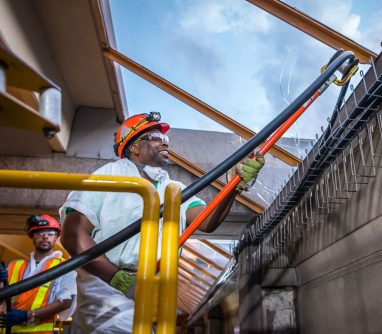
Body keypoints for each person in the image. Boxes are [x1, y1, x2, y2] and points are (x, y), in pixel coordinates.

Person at [59, 112, 264, 333]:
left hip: (155, 291)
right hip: (107, 291)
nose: (165, 141)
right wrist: (119, 279)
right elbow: (73, 235)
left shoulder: (173, 188)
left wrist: (233, 186)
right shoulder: (108, 176)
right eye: (156, 136)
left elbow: (207, 221)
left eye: (165, 137)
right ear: (135, 148)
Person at [0, 215, 77, 334]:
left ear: (56, 237)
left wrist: (27, 315)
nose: (45, 236)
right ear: (32, 236)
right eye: (40, 233)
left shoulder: (65, 267)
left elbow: (66, 302)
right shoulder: (14, 265)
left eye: (50, 233)